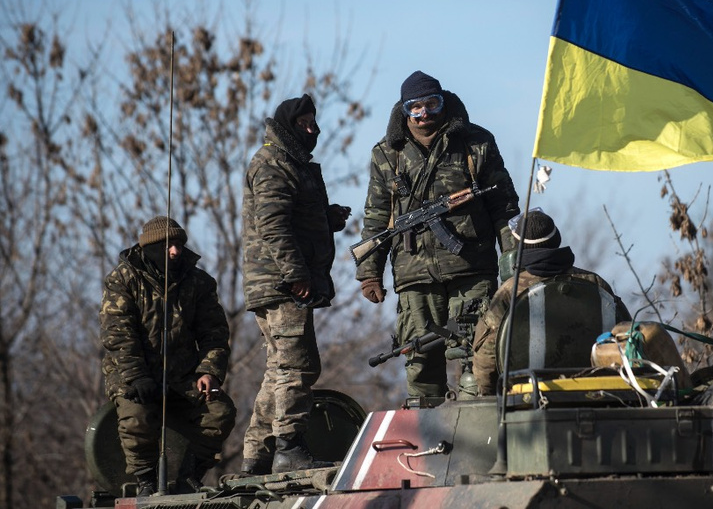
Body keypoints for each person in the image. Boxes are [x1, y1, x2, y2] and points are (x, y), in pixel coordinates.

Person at [356, 70, 520, 398]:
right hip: (414, 277)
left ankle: (480, 436)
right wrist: (369, 273)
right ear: (403, 111)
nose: (424, 114)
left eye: (432, 104)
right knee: (420, 360)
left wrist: (515, 265)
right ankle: (426, 438)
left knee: (478, 357)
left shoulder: (476, 142)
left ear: (443, 102)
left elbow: (505, 208)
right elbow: (376, 217)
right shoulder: (387, 153)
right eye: (415, 107)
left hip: (472, 272)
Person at [241, 94, 351, 474]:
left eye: (313, 122)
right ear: (288, 126)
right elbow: (272, 225)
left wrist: (326, 216)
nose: (313, 130)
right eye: (305, 124)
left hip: (275, 283)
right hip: (281, 284)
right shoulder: (273, 162)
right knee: (298, 366)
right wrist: (297, 275)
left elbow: (289, 216)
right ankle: (288, 447)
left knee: (280, 368)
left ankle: (259, 453)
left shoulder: (289, 162)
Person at [100, 216, 236, 495]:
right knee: (136, 418)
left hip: (184, 376)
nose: (175, 251)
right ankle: (146, 480)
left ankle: (190, 476)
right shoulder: (123, 279)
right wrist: (136, 376)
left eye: (179, 244)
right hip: (134, 373)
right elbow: (118, 334)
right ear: (150, 248)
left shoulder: (198, 282)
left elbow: (214, 333)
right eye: (167, 245)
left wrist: (208, 371)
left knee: (220, 411)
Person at [471, 209, 632, 395]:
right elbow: (626, 336)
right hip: (598, 394)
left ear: (519, 248)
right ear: (557, 240)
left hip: (528, 397)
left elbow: (486, 355)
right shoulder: (594, 283)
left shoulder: (510, 291)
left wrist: (491, 395)